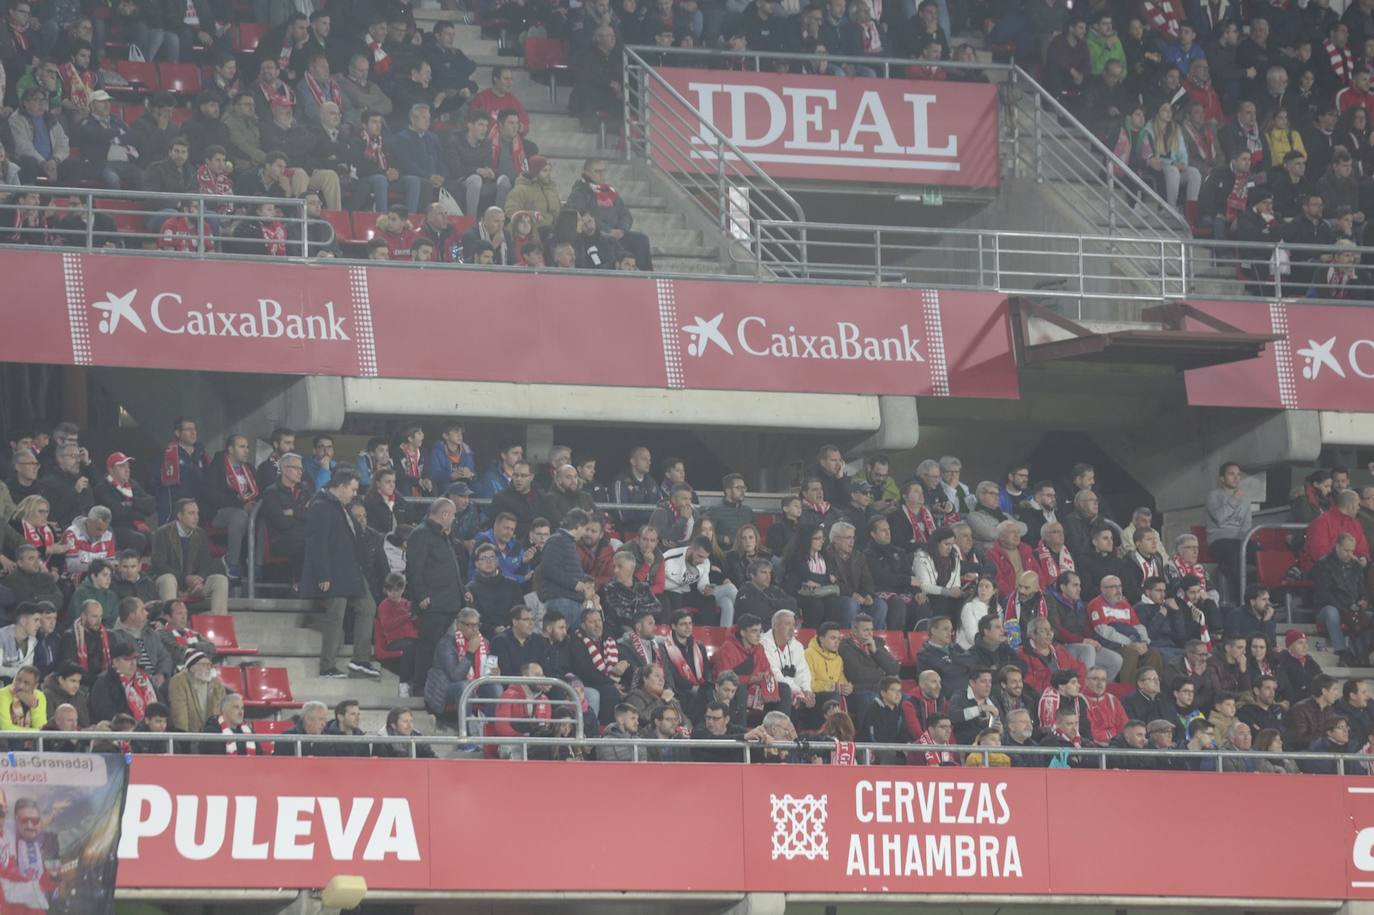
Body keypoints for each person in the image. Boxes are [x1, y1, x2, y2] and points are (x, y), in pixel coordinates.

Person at [300, 470, 377, 680]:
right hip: (333, 573)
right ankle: (327, 667)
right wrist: (323, 574)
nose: (354, 494)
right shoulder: (321, 506)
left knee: (368, 607)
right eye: (352, 489)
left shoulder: (340, 507)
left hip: (350, 571)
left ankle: (361, 659)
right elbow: (317, 543)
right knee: (335, 618)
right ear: (341, 486)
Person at [149, 498, 229, 615]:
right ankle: (171, 623)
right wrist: (185, 579)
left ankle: (218, 623)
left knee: (220, 580)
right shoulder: (162, 533)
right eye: (191, 513)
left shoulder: (201, 534)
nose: (196, 517)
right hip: (171, 583)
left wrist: (200, 579)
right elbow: (159, 565)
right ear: (180, 516)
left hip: (192, 586)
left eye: (197, 513)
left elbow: (206, 563)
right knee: (168, 579)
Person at [88, 636, 157, 724]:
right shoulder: (103, 682)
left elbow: (160, 703)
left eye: (134, 659)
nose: (133, 663)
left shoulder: (145, 679)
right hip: (119, 730)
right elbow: (104, 712)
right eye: (127, 659)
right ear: (115, 662)